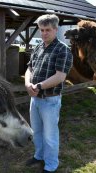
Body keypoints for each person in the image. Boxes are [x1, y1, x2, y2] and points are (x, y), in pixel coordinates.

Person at [25, 14, 73, 173]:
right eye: (41, 30)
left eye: (47, 30)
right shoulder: (39, 47)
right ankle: (39, 156)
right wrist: (27, 83)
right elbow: (29, 68)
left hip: (50, 100)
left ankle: (51, 165)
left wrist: (38, 85)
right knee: (36, 131)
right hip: (35, 98)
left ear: (55, 29)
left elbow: (60, 76)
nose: (44, 33)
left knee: (50, 136)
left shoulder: (63, 50)